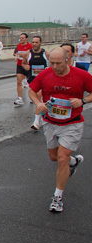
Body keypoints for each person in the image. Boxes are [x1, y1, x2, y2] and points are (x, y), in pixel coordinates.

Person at [28, 48, 92, 213]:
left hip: (72, 123)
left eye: (58, 63)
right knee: (54, 157)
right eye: (52, 63)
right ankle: (74, 162)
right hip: (50, 122)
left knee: (62, 158)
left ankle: (57, 198)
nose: (55, 66)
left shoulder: (81, 75)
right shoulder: (46, 74)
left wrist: (83, 100)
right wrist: (38, 103)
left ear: (68, 59)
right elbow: (32, 91)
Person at [21, 36, 48, 130]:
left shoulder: (46, 53)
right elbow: (23, 63)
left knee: (38, 97)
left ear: (41, 43)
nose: (34, 44)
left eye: (36, 42)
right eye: (33, 42)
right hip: (33, 79)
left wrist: (49, 69)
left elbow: (53, 63)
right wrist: (26, 67)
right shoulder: (28, 54)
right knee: (38, 98)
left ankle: (36, 121)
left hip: (44, 79)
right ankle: (42, 117)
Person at [13, 33, 33, 106]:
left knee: (31, 83)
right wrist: (17, 57)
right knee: (19, 81)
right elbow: (18, 54)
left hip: (27, 65)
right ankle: (20, 98)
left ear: (26, 39)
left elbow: (31, 55)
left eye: (22, 38)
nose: (21, 39)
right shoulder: (18, 46)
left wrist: (24, 56)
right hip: (20, 65)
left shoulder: (30, 46)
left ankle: (32, 96)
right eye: (20, 38)